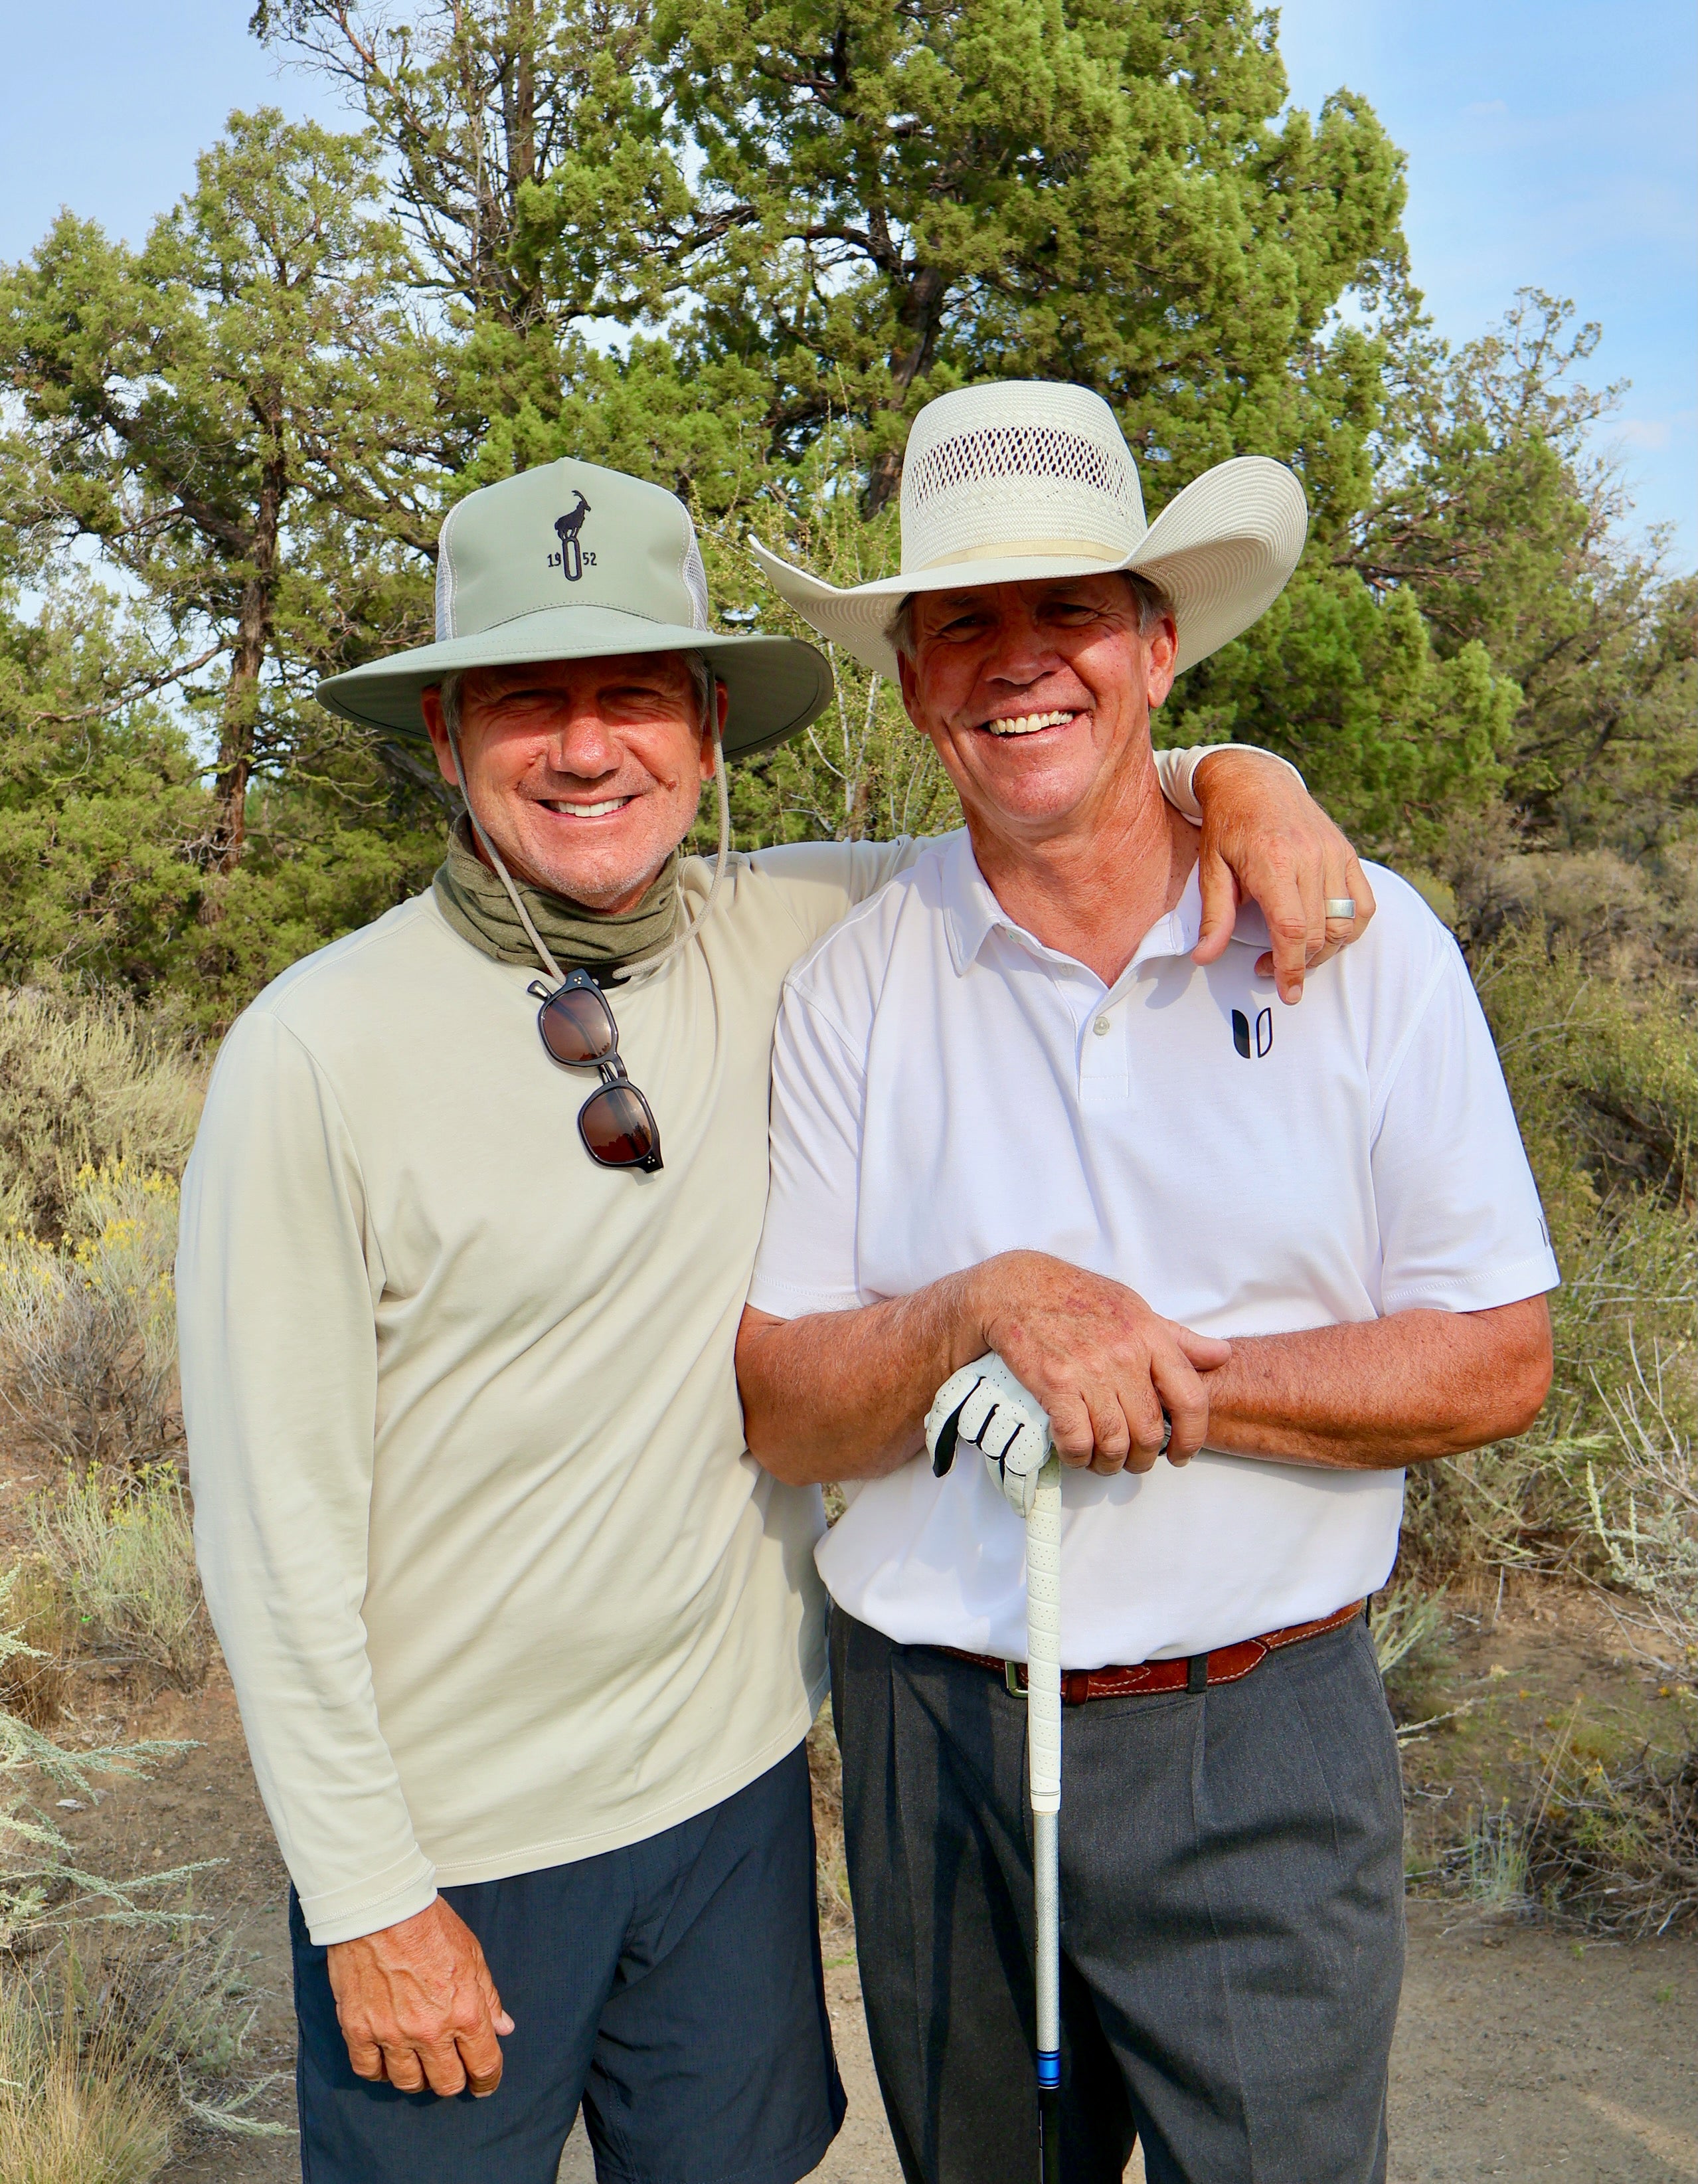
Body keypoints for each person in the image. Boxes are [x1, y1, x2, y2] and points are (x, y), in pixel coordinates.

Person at [177, 447, 1373, 2184]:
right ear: (445, 738)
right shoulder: (314, 1051)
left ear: (709, 729)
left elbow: (1059, 805)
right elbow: (270, 1532)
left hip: (732, 1804)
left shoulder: (809, 930)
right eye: (529, 701)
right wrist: (367, 1899)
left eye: (636, 696)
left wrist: (1234, 772)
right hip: (456, 1844)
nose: (590, 747)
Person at [736, 382, 1558, 2184]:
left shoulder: (1360, 943)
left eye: (1071, 612)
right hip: (931, 1734)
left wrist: (1160, 1383)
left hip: (1256, 1737)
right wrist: (984, 1312)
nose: (1021, 664)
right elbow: (788, 1399)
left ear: (1162, 645)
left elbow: (1499, 1358)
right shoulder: (856, 976)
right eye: (965, 623)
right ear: (911, 680)